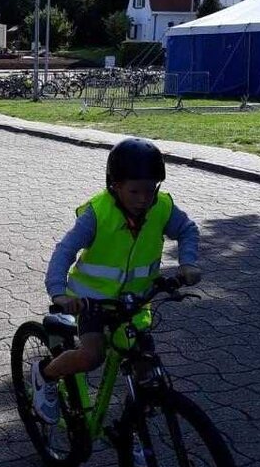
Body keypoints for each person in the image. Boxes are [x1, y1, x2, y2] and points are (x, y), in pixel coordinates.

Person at [30, 137, 201, 427]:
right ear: (115, 185)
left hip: (135, 302)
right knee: (91, 356)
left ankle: (132, 430)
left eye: (150, 190)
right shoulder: (97, 214)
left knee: (146, 368)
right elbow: (65, 251)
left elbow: (187, 229)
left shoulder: (161, 208)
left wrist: (188, 263)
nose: (143, 199)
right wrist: (59, 293)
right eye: (134, 191)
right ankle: (45, 375)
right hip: (92, 302)